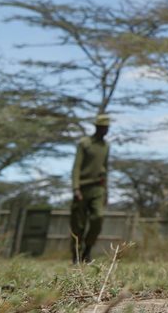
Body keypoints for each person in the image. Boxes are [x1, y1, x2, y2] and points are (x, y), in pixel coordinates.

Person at [70, 112, 110, 264]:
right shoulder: (85, 143)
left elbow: (106, 168)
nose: (105, 130)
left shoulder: (106, 146)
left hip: (98, 188)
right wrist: (76, 188)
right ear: (97, 127)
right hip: (82, 187)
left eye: (107, 127)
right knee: (78, 224)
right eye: (103, 127)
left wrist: (106, 191)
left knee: (98, 218)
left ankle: (88, 249)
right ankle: (76, 255)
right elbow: (76, 167)